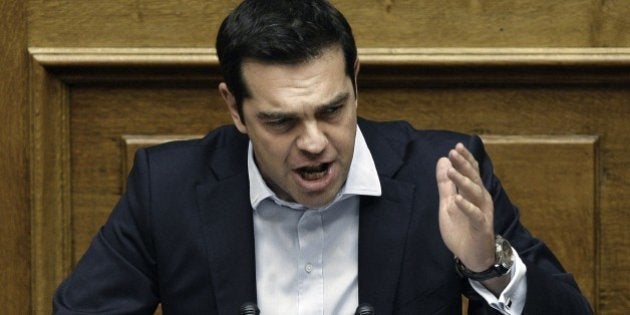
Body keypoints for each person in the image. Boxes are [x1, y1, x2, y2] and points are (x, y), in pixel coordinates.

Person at [53, 0, 593, 314]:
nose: (314, 141)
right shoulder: (165, 187)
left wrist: (487, 264)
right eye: (281, 120)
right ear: (235, 110)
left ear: (356, 84)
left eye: (332, 110)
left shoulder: (443, 175)